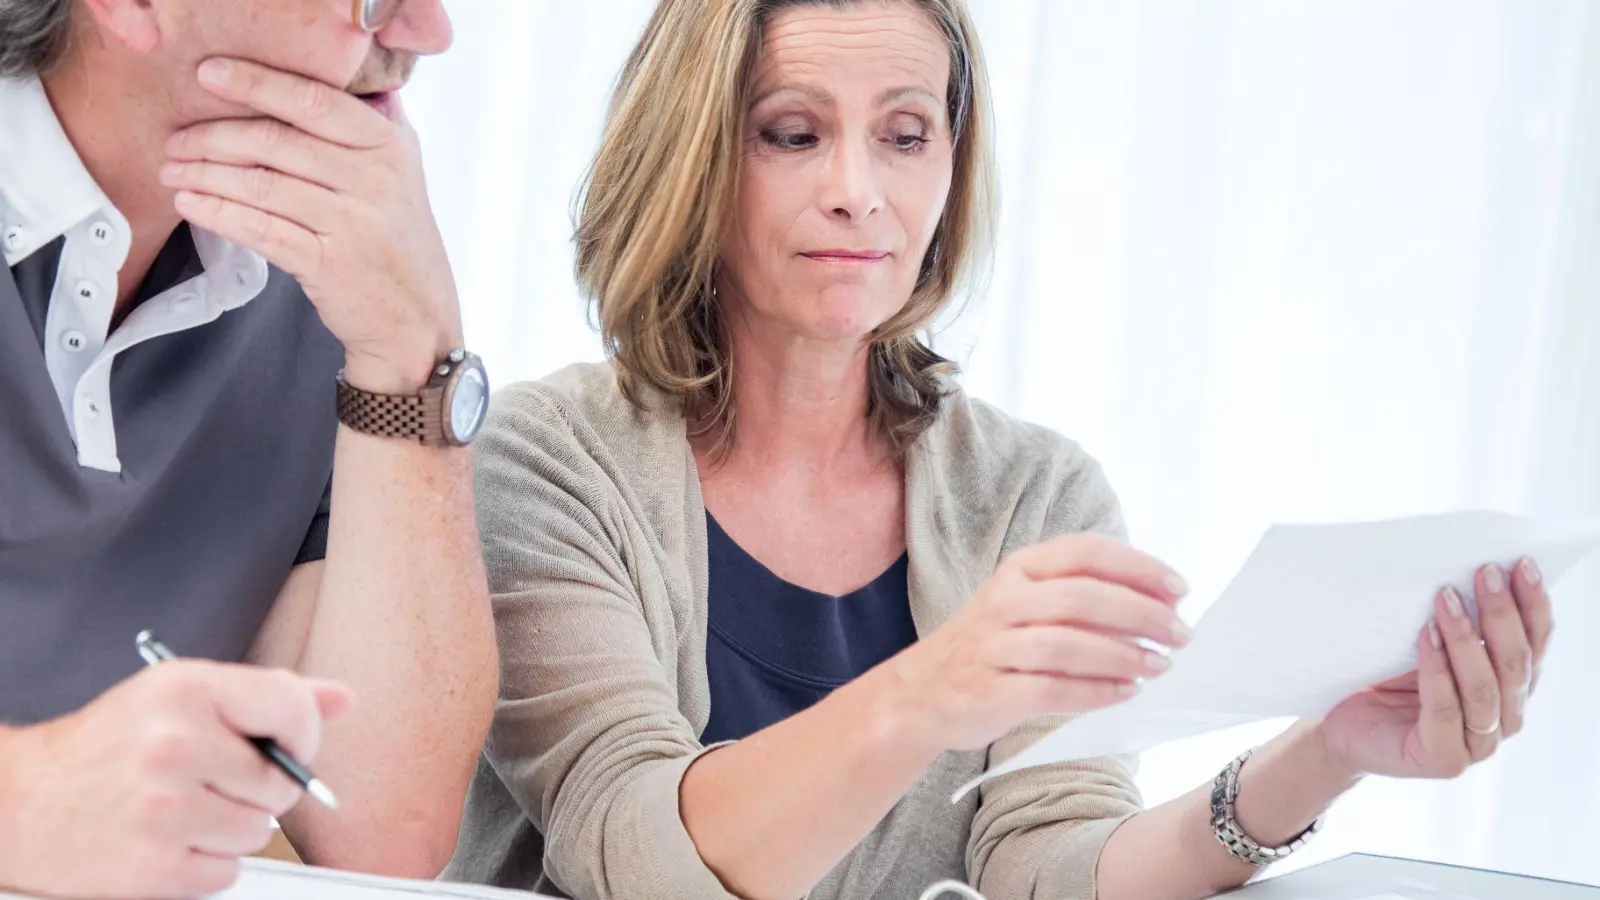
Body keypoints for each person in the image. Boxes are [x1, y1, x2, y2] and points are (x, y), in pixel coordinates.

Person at [443, 1, 1556, 898]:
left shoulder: (1033, 490)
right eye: (792, 133)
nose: (855, 193)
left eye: (905, 134)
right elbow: (635, 861)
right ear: (691, 158)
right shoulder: (546, 461)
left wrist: (1327, 751)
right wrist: (931, 689)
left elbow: (1045, 861)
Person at [0, 1, 499, 897]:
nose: (428, 33)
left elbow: (382, 829)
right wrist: (25, 801)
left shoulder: (325, 272)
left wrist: (411, 355)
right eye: (372, 0)